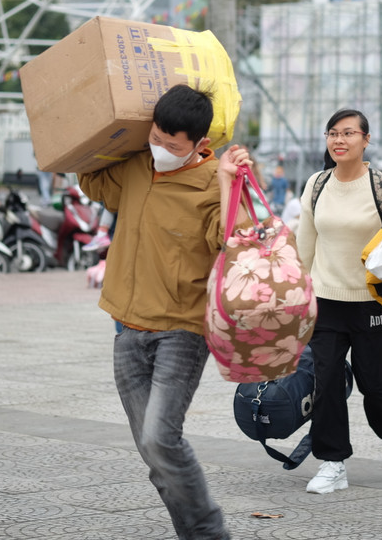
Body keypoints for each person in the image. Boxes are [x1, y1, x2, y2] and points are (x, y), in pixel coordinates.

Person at [77, 84, 250, 540]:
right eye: (155, 137)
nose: (161, 150)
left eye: (172, 146)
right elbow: (91, 179)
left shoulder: (214, 178)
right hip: (125, 325)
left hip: (182, 331)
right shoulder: (137, 166)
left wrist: (232, 182)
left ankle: (212, 535)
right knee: (154, 455)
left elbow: (234, 238)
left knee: (160, 439)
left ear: (199, 144)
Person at [295, 108, 382, 495]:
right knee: (325, 382)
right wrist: (298, 290)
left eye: (348, 133)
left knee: (374, 384)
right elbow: (306, 240)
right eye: (332, 133)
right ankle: (332, 463)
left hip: (371, 302)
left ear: (366, 139)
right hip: (326, 299)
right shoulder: (316, 184)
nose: (338, 140)